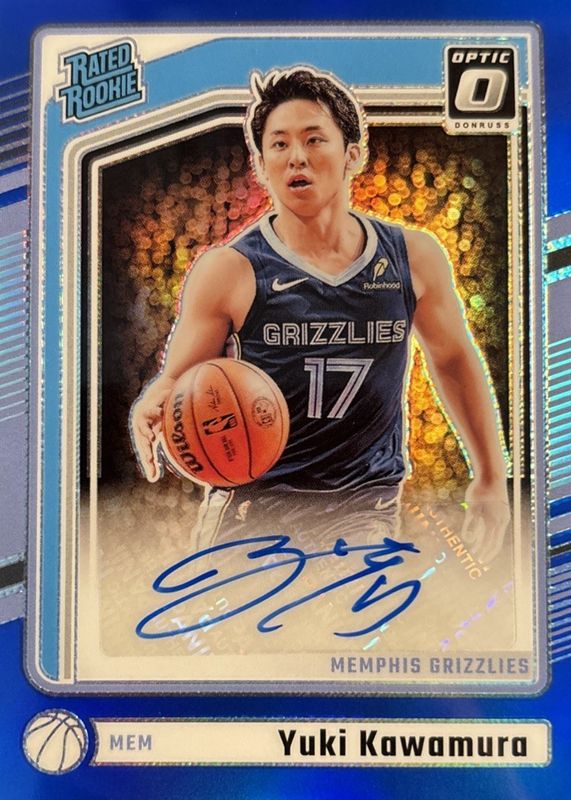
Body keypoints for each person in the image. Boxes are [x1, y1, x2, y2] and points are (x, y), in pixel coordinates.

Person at [130, 66, 510, 562]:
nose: (297, 157)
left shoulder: (412, 258)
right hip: (255, 510)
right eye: (279, 144)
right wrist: (156, 398)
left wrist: (490, 475)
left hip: (365, 506)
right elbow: (180, 381)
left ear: (353, 154)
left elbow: (454, 358)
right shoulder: (229, 270)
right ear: (260, 164)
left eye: (314, 139)